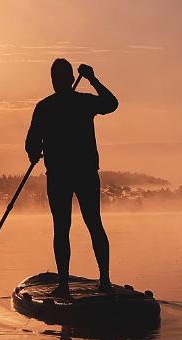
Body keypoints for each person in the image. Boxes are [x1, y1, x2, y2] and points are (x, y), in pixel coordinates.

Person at [25, 58, 118, 296]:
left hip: (73, 174)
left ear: (63, 79)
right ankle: (82, 283)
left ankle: (89, 282)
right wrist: (34, 151)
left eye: (59, 78)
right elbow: (32, 142)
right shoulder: (63, 105)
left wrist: (92, 79)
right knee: (76, 226)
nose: (57, 82)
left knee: (80, 226)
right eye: (55, 78)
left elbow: (112, 104)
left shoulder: (53, 106)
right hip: (69, 174)